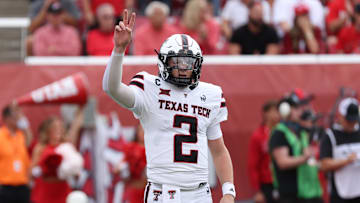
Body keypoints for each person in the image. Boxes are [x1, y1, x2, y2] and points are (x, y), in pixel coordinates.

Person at [102, 9, 235, 203]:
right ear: (164, 61)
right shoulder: (149, 87)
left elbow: (219, 149)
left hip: (199, 193)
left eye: (188, 63)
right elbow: (111, 88)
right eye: (176, 62)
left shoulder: (210, 95)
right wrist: (119, 50)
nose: (182, 68)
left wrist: (229, 191)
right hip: (161, 193)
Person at [269, 90, 323, 203]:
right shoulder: (279, 133)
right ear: (286, 110)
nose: (300, 111)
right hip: (290, 195)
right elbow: (282, 162)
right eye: (296, 108)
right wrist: (305, 158)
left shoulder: (300, 131)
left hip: (308, 194)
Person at [31, 108, 84, 203]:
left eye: (60, 128)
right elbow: (31, 172)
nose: (58, 131)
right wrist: (40, 170)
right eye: (55, 128)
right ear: (48, 130)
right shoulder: (41, 147)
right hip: (45, 190)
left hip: (62, 190)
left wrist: (73, 170)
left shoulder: (66, 146)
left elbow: (75, 128)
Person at [320, 98, 360, 203]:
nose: (352, 123)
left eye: (355, 120)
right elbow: (324, 165)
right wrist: (347, 161)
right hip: (340, 195)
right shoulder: (331, 135)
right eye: (349, 120)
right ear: (340, 116)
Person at [248, 101, 280, 203]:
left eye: (278, 111)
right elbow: (253, 165)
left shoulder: (282, 133)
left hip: (281, 181)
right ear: (266, 114)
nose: (277, 114)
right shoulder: (258, 136)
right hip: (266, 184)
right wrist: (258, 191)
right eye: (274, 111)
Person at [0, 104, 31, 203]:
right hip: (5, 187)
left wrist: (25, 125)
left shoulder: (21, 135)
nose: (18, 118)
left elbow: (29, 140)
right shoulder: (1, 135)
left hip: (22, 186)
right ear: (6, 118)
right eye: (15, 116)